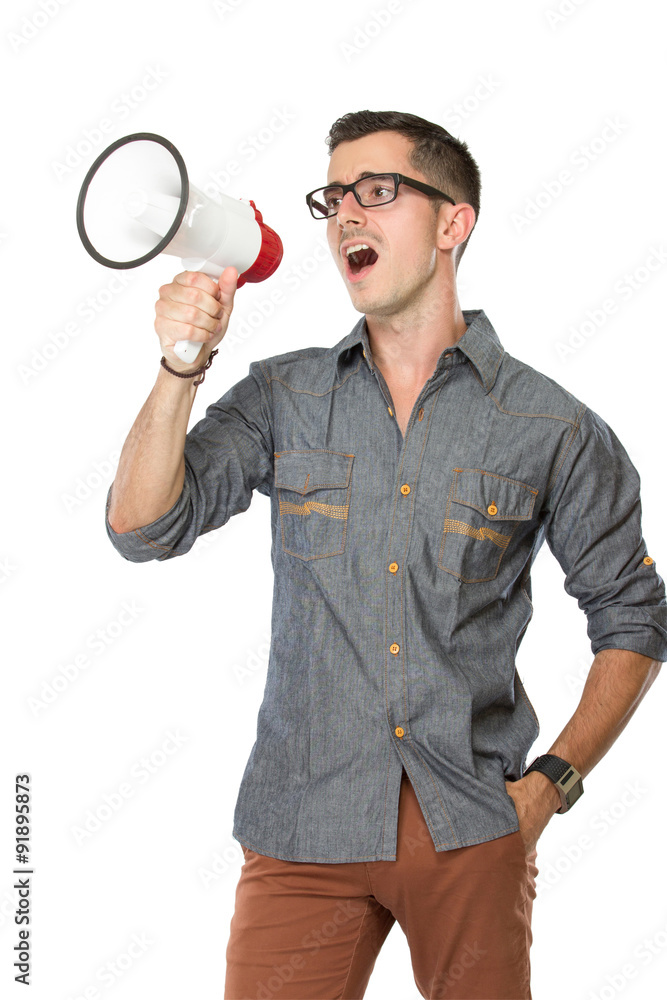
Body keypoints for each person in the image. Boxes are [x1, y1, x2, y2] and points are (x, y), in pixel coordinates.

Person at [105, 110, 666, 1000]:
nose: (344, 218)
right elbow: (142, 528)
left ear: (453, 224)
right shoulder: (283, 395)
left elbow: (632, 618)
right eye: (333, 198)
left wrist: (550, 786)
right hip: (301, 829)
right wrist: (181, 363)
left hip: (469, 827)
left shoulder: (551, 426)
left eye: (378, 192)